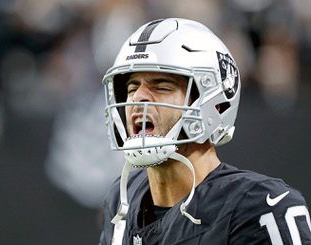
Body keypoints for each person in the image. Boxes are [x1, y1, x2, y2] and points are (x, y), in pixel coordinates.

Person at [98, 18, 311, 244]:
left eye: (161, 86)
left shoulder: (259, 206)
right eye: (132, 87)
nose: (138, 97)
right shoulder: (123, 197)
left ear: (213, 104)